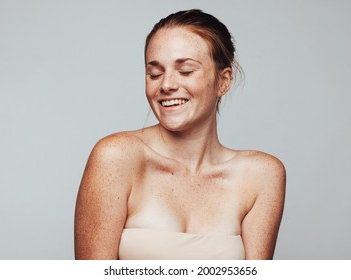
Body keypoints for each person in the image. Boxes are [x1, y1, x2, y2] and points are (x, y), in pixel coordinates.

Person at [74, 9, 286, 260]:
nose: (166, 85)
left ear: (223, 81)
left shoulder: (261, 175)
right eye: (155, 73)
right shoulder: (116, 157)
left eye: (185, 71)